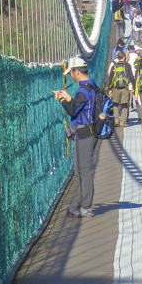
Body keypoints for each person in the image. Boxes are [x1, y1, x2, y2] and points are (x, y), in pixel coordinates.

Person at [53, 56, 103, 219]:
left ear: (76, 71)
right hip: (90, 131)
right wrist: (69, 99)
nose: (70, 76)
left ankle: (86, 207)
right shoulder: (92, 86)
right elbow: (81, 107)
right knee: (79, 168)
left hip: (84, 133)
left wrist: (62, 100)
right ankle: (84, 204)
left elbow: (74, 111)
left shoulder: (83, 90)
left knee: (84, 170)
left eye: (71, 73)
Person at [108, 51, 135, 126]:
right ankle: (123, 121)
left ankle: (116, 119)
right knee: (124, 104)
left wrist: (110, 89)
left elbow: (110, 78)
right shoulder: (127, 66)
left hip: (116, 88)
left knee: (115, 104)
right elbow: (131, 77)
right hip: (125, 88)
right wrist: (133, 87)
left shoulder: (114, 66)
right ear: (124, 57)